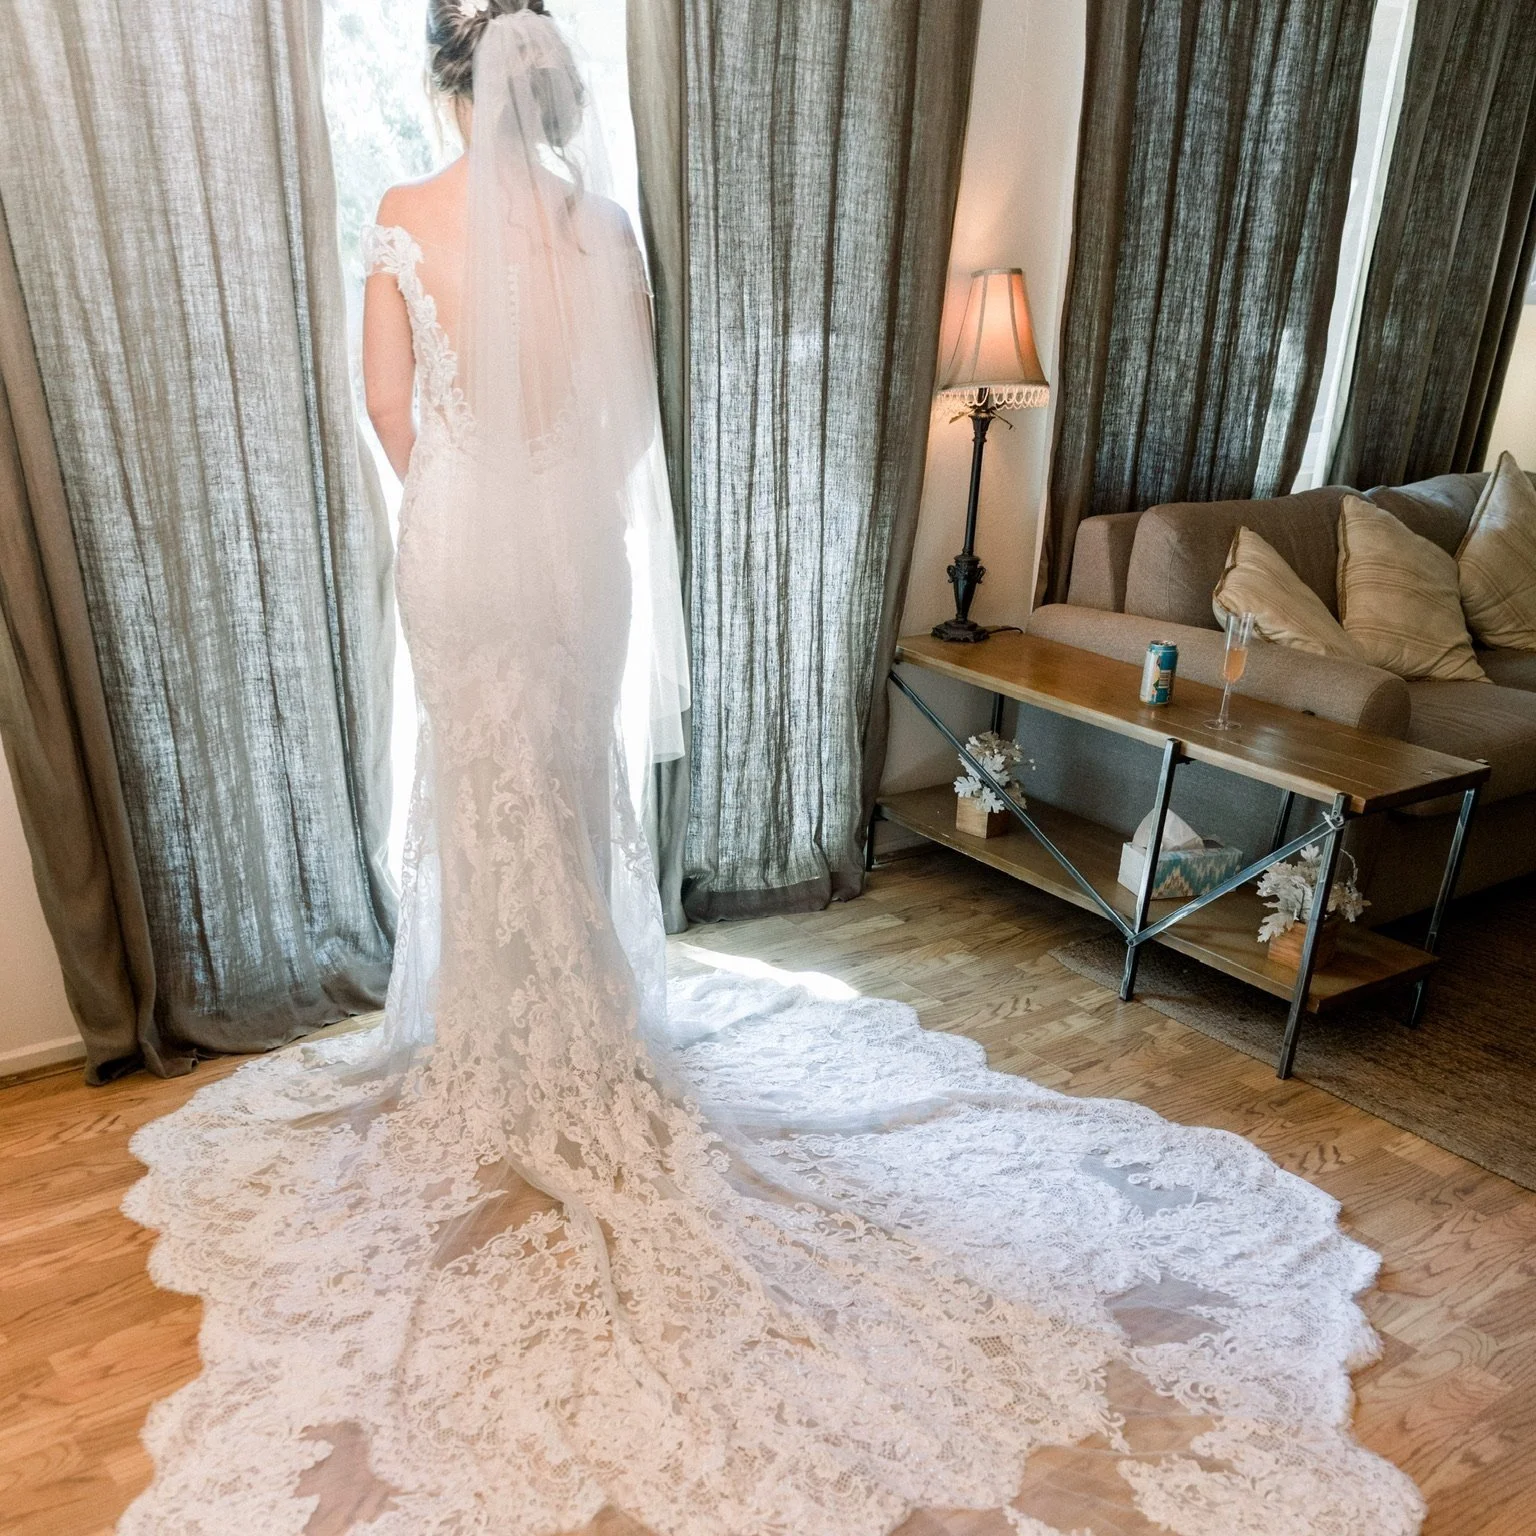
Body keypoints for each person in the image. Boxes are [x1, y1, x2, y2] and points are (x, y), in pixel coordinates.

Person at [118, 6, 1424, 1533]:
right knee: (565, 780)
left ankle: (495, 1033)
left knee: (487, 790)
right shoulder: (602, 225)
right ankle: (584, 1032)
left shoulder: (404, 215)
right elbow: (621, 437)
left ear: (442, 80)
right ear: (542, 84)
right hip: (580, 556)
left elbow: (393, 412)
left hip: (468, 543)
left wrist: (470, 495)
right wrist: (549, 499)